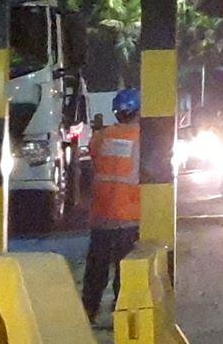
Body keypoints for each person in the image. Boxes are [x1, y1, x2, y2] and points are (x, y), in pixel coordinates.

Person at [82, 88, 143, 319]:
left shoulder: (101, 137)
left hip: (101, 216)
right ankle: (122, 315)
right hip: (129, 217)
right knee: (125, 272)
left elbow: (94, 156)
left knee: (96, 271)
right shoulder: (143, 139)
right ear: (138, 111)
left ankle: (88, 311)